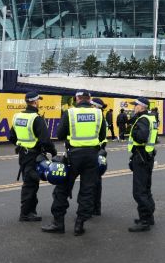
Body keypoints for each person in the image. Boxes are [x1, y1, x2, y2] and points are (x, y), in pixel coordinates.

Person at [43, 90, 106, 235]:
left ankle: (58, 223)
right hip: (92, 156)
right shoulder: (98, 114)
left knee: (62, 189)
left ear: (77, 98)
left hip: (73, 156)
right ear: (89, 99)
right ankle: (79, 225)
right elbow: (102, 135)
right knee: (87, 190)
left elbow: (59, 135)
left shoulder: (70, 113)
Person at [9, 92, 57, 223]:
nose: (39, 102)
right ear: (35, 102)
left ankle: (31, 211)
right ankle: (25, 213)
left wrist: (22, 145)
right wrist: (53, 152)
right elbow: (45, 140)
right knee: (30, 184)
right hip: (33, 155)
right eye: (38, 101)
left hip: (23, 155)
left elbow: (11, 136)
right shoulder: (37, 118)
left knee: (30, 182)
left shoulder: (17, 116)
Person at [127, 97, 159, 232]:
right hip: (147, 156)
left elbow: (141, 137)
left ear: (142, 107)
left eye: (136, 105)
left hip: (141, 156)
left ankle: (144, 221)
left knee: (139, 191)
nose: (134, 107)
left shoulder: (143, 119)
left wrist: (132, 129)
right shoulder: (151, 117)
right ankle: (149, 217)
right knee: (145, 189)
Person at [91, 98, 109, 216]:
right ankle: (96, 207)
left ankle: (94, 207)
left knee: (93, 181)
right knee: (96, 180)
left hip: (96, 150)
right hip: (100, 150)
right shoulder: (101, 117)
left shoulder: (98, 118)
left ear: (95, 107)